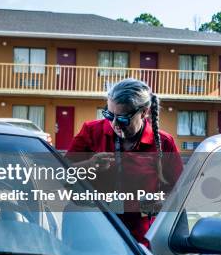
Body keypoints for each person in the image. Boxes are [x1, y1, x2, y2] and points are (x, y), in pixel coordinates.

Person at [66, 78, 183, 246]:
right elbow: (59, 174)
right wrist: (89, 166)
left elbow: (180, 190)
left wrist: (162, 202)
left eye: (122, 119)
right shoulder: (91, 131)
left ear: (144, 112)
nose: (114, 124)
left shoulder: (164, 142)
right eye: (109, 115)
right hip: (91, 225)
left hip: (139, 235)